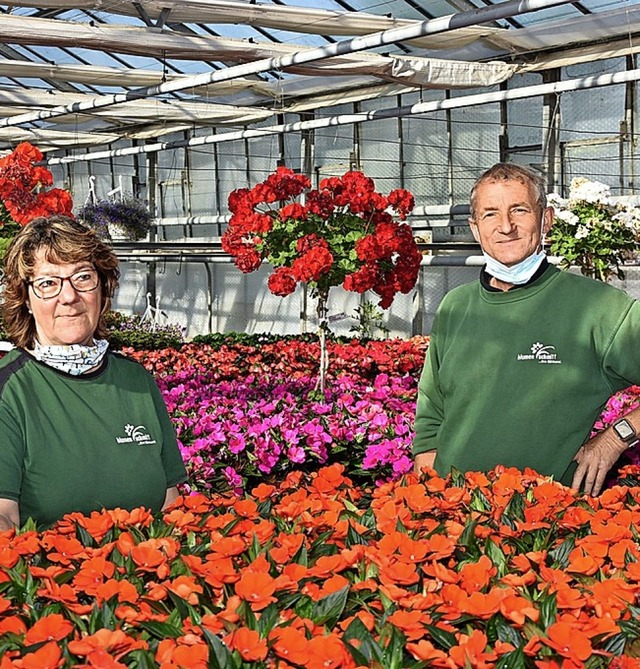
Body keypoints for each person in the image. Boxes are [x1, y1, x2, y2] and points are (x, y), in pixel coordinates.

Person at [413, 163, 640, 496]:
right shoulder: (455, 306)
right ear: (475, 228)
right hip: (455, 514)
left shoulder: (597, 308)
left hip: (543, 525)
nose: (506, 226)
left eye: (519, 210)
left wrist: (616, 437)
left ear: (545, 220)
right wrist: (428, 457)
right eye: (490, 214)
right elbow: (433, 400)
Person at [0, 215, 187, 530]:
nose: (69, 296)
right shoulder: (10, 389)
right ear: (27, 300)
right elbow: (3, 515)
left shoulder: (136, 381)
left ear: (103, 288)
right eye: (48, 283)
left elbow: (170, 501)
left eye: (83, 277)